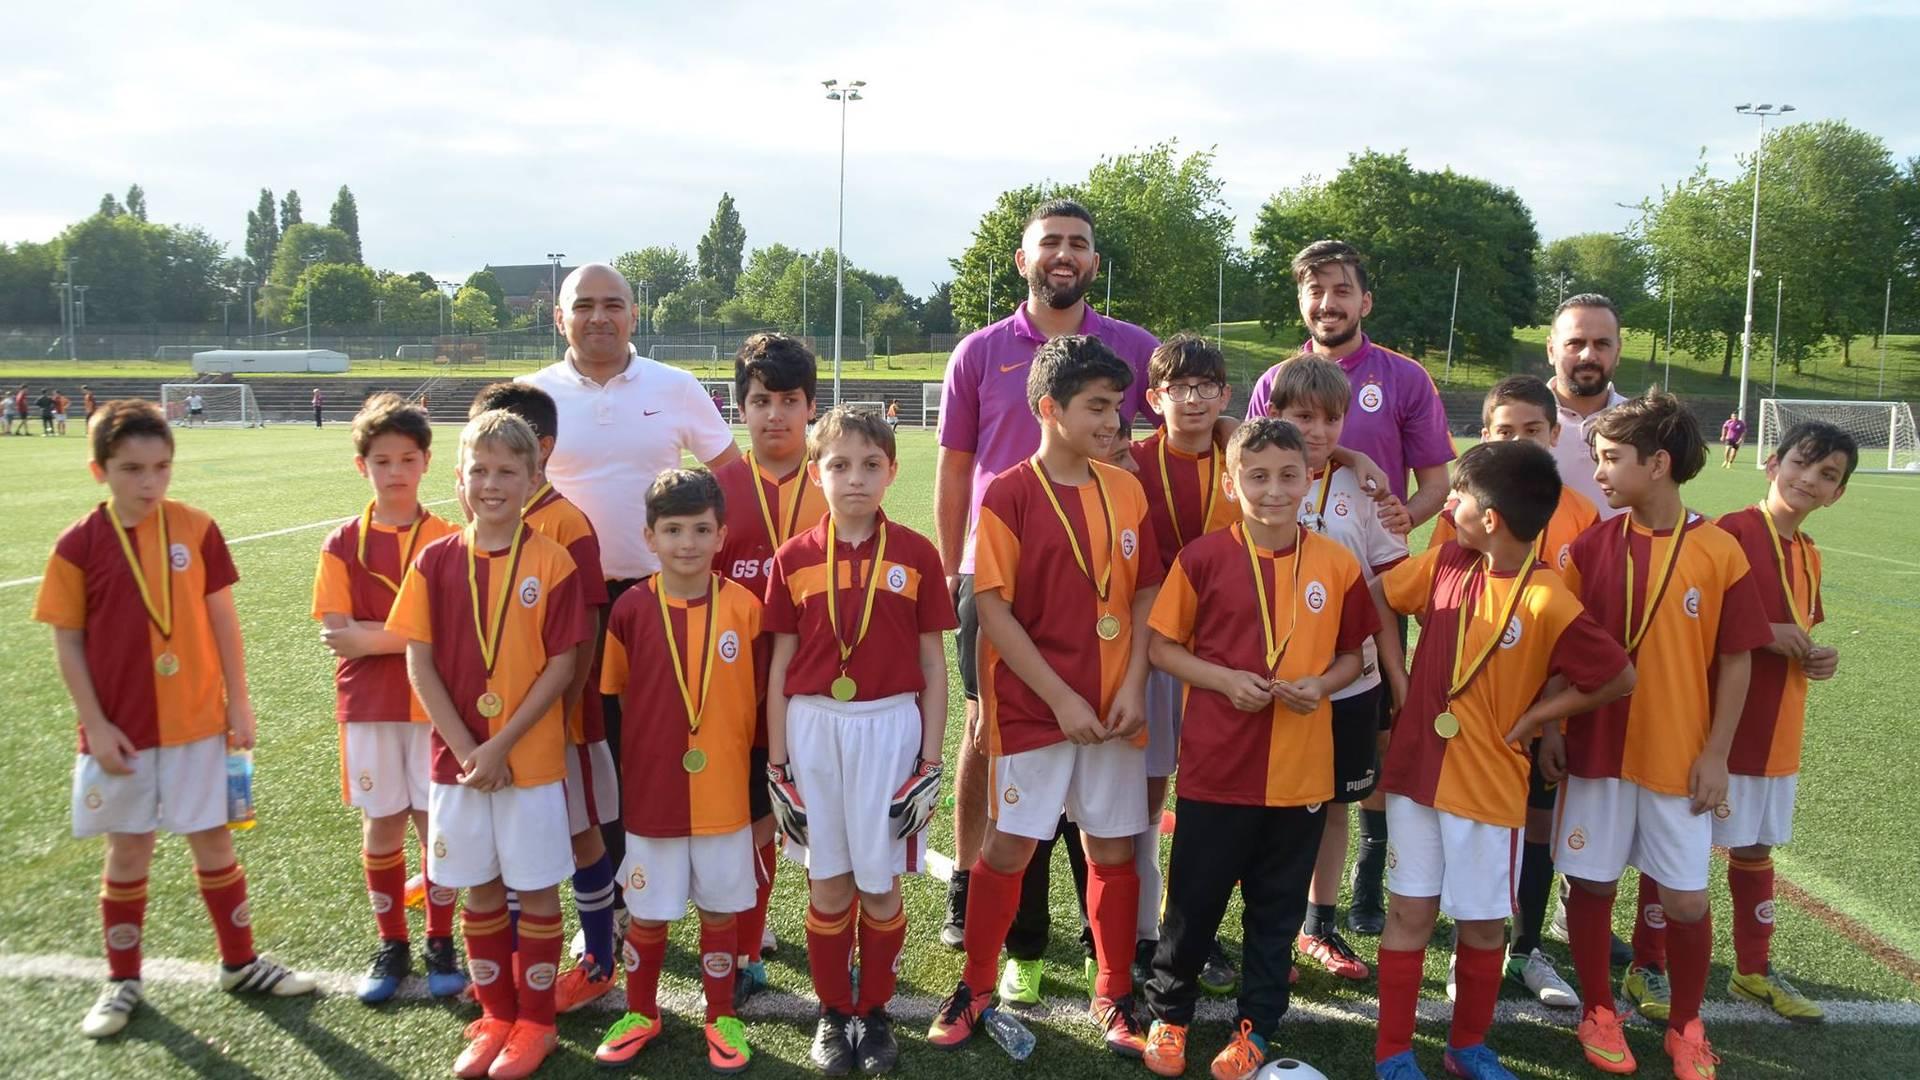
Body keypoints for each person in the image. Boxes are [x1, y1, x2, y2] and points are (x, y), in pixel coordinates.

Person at [934, 198, 1165, 1001]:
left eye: (1079, 245)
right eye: (1050, 243)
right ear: (1025, 256)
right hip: (1001, 586)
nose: (1064, 255)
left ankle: (1112, 979)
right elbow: (957, 468)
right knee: (985, 746)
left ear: (1093, 261)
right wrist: (953, 571)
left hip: (1105, 632)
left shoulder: (1132, 350)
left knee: (1112, 827)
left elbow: (1197, 425)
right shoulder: (981, 352)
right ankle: (981, 922)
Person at [34, 399, 317, 1040]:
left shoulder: (196, 528)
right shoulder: (79, 544)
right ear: (98, 470)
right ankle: (121, 980)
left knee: (214, 841)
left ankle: (240, 964)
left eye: (161, 467)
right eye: (132, 469)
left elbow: (221, 619)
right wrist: (95, 725)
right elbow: (68, 643)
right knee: (129, 850)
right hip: (122, 734)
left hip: (197, 724)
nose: (149, 483)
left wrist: (238, 701)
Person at [1371, 440, 1634, 1080]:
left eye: (1456, 497)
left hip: (1487, 786)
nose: (1448, 503)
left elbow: (1617, 676)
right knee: (1408, 913)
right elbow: (1379, 595)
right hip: (1414, 774)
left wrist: (1538, 719)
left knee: (1485, 926)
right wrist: (1400, 677)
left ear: (1489, 518)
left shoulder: (1548, 597)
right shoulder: (1444, 563)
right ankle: (1393, 1053)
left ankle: (1466, 1048)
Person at [1139, 417, 1382, 1080]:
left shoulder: (1334, 564)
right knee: (1194, 905)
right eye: (1257, 476)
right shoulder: (1204, 559)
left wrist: (1320, 686)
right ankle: (1171, 1015)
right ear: (1231, 481)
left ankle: (1255, 1027)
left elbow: (1351, 656)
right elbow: (1161, 647)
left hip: (1300, 776)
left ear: (1309, 480)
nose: (1273, 490)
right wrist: (1222, 680)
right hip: (1218, 772)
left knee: (1275, 917)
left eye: (1287, 476)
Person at [1549, 392, 1773, 1079]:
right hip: (1598, 754)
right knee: (1590, 886)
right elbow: (1562, 649)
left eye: (1611, 459)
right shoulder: (1588, 547)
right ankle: (1597, 1009)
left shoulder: (1718, 550)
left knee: (1684, 897)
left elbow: (1737, 659)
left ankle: (1685, 1024)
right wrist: (1557, 723)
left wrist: (1715, 754)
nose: (1600, 472)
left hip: (1680, 759)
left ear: (1659, 463)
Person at [1243, 240, 1453, 936]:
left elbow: (1435, 483)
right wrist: (1351, 455)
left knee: (1373, 747)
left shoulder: (1404, 377)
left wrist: (1396, 514)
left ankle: (1363, 877)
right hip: (1281, 614)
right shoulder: (1276, 377)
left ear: (1365, 301)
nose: (1328, 303)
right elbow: (1253, 461)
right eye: (1315, 291)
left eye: (1342, 291)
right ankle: (1283, 902)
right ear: (1302, 301)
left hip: (1373, 584)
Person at [520, 262, 740, 889]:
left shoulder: (673, 386)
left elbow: (730, 477)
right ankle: (611, 892)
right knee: (589, 752)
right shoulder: (531, 396)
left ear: (634, 315)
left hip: (662, 602)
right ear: (559, 317)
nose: (598, 317)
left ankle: (704, 887)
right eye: (582, 305)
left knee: (673, 742)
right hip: (565, 607)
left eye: (612, 304)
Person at [387, 409, 588, 1080]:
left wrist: (499, 744)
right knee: (476, 889)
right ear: (459, 478)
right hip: (458, 764)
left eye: (508, 471)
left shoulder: (551, 560)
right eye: (480, 470)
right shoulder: (435, 559)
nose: (493, 483)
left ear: (535, 479)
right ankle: (495, 1016)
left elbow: (561, 665)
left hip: (526, 761)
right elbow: (420, 662)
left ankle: (536, 1023)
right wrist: (468, 748)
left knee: (533, 892)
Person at [764, 407, 956, 1074]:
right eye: (839, 465)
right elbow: (780, 669)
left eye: (871, 465)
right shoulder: (793, 559)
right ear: (816, 474)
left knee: (878, 887)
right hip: (814, 729)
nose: (855, 479)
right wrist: (777, 765)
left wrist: (930, 762)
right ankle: (829, 1010)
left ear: (893, 471)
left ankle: (871, 1010)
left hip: (890, 728)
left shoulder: (916, 554)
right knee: (828, 882)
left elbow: (934, 666)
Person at [1425, 375, 1597, 1008]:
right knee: (1466, 829)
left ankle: (1525, 948)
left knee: (1536, 826)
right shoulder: (1461, 520)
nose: (1519, 440)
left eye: (1533, 430)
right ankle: (1466, 947)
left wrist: (1549, 723)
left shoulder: (1575, 513)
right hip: (1478, 714)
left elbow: (1571, 631)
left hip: (1540, 711)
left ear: (1555, 435)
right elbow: (1443, 610)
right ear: (1485, 436)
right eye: (1504, 431)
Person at [592, 469, 762, 1075]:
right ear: (649, 536)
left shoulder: (746, 609)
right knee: (648, 914)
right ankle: (643, 1011)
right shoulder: (632, 611)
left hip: (723, 795)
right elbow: (614, 691)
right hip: (654, 796)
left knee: (720, 912)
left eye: (700, 530)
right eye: (672, 530)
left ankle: (721, 1018)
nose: (686, 543)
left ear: (721, 535)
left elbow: (761, 697)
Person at [465, 383, 620, 1015]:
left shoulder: (566, 524)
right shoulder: (479, 526)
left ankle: (600, 961)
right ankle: (509, 968)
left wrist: (565, 712)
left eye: (511, 457)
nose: (494, 477)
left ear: (539, 455)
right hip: (493, 726)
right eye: (482, 461)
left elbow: (585, 633)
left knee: (583, 834)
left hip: (563, 725)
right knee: (501, 844)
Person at [312, 394, 465, 1004]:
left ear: (426, 462)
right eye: (382, 460)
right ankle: (391, 943)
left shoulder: (451, 538)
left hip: (436, 710)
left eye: (406, 458)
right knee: (382, 825)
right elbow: (336, 635)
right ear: (362, 467)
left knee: (436, 829)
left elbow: (448, 632)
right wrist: (405, 636)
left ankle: (440, 941)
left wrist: (371, 635)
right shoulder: (341, 543)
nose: (395, 471)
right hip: (369, 707)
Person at [1702, 422, 1853, 1021]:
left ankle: (1752, 971)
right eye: (1802, 464)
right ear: (1772, 462)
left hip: (1778, 731)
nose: (1809, 480)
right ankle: (1650, 967)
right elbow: (1690, 623)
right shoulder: (1732, 533)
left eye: (1828, 476)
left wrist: (1820, 656)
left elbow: (1799, 628)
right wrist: (1766, 636)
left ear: (1837, 494)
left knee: (1757, 848)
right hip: (1722, 728)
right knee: (1685, 850)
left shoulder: (1808, 553)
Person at [1267, 357, 1409, 982]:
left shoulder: (1365, 492)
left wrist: (1397, 676)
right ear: (1275, 416)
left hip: (1353, 680)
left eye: (1332, 420)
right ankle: (1268, 926)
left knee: (1332, 805)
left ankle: (1318, 926)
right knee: (1270, 807)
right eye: (1303, 417)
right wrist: (1350, 453)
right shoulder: (1262, 481)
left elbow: (1381, 593)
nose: (1320, 431)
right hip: (1276, 682)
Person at [712, 333, 828, 995]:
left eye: (789, 400)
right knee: (753, 817)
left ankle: (830, 943)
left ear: (811, 406)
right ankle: (749, 942)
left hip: (822, 696)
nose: (775, 414)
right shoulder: (717, 490)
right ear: (741, 409)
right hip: (740, 695)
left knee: (820, 822)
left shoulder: (835, 484)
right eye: (761, 400)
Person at [1127, 334, 1242, 991]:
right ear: (1155, 398)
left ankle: (1191, 928)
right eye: (1179, 388)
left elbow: (1308, 448)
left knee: (1208, 798)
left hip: (1225, 650)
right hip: (1150, 645)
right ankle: (1144, 930)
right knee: (1146, 793)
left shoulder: (1242, 454)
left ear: (1225, 395)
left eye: (1207, 387)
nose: (1193, 399)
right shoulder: (1130, 461)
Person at [1544, 295, 1629, 519]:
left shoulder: (1642, 425)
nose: (1588, 355)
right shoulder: (1516, 423)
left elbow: (1664, 510)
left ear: (1618, 352)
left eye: (1602, 344)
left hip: (1621, 555)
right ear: (1551, 350)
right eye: (1575, 343)